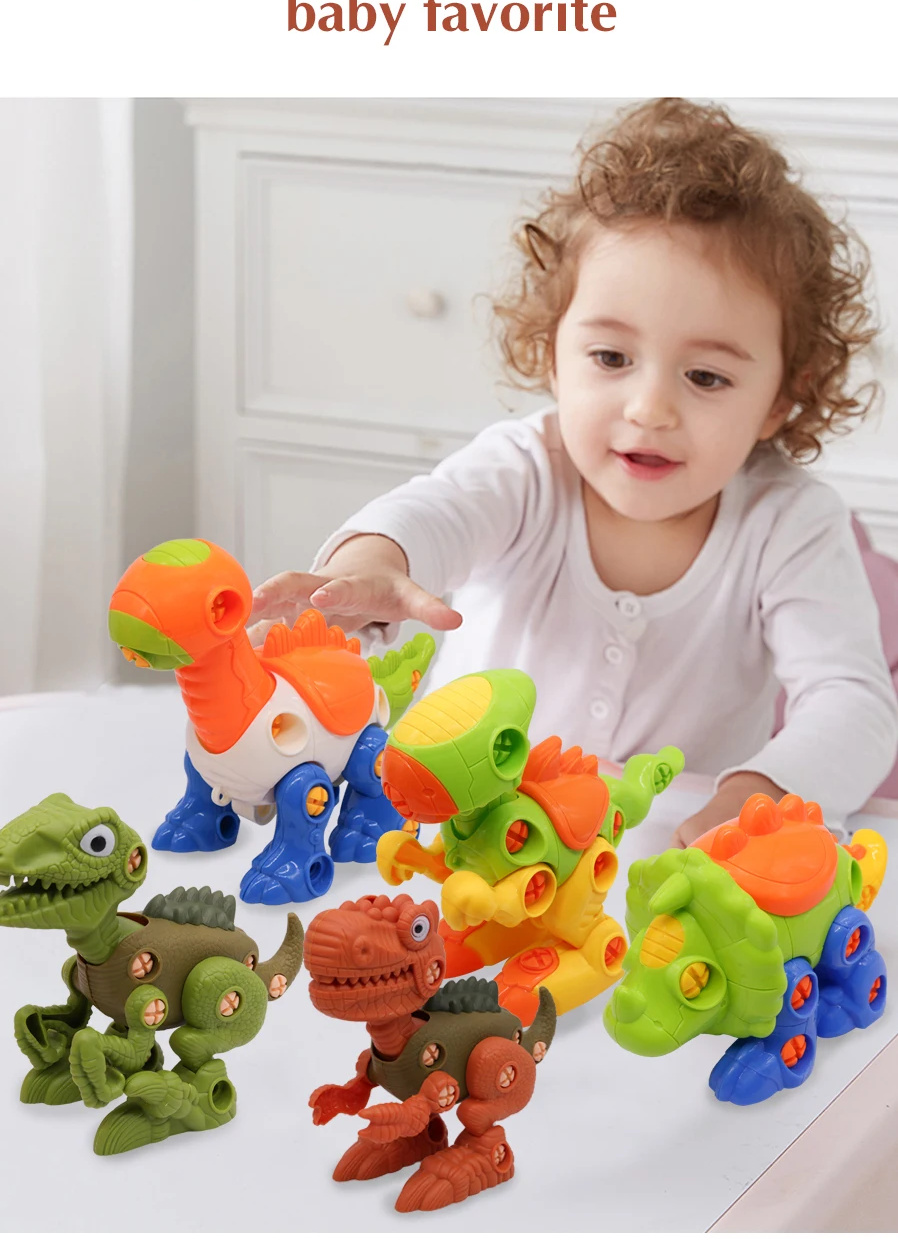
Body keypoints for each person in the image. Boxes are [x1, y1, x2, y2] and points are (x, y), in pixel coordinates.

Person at [249, 98, 898, 845]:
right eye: (612, 358)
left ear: (781, 398)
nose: (650, 409)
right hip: (461, 836)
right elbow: (438, 511)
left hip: (663, 859)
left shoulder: (791, 524)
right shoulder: (528, 469)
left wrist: (760, 794)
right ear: (552, 352)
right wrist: (373, 565)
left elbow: (852, 703)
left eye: (707, 377)